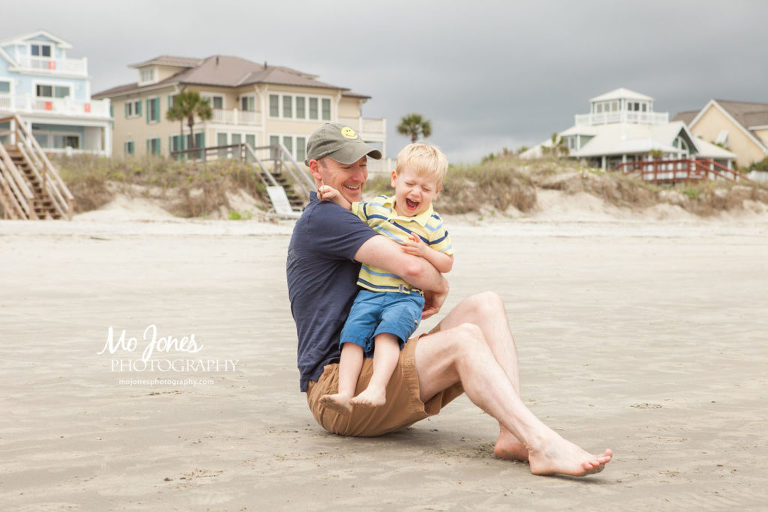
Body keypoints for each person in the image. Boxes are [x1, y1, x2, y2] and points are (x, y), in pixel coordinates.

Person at [286, 122, 612, 476]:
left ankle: (512, 435)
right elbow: (412, 268)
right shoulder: (325, 218)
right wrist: (440, 286)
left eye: (362, 164)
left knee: (486, 304)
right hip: (338, 391)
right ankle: (542, 443)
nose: (359, 175)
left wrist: (434, 280)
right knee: (464, 340)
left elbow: (413, 259)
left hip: (371, 366)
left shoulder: (348, 212)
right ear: (316, 168)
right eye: (347, 165)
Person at [316, 143, 454, 413]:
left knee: (386, 336)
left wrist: (425, 251)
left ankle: (377, 388)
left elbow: (447, 262)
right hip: (368, 293)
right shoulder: (378, 207)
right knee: (352, 337)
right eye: (410, 184)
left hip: (405, 297)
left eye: (426, 189)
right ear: (395, 179)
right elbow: (352, 210)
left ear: (436, 192)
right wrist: (336, 196)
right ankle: (344, 393)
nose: (416, 192)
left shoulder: (433, 224)